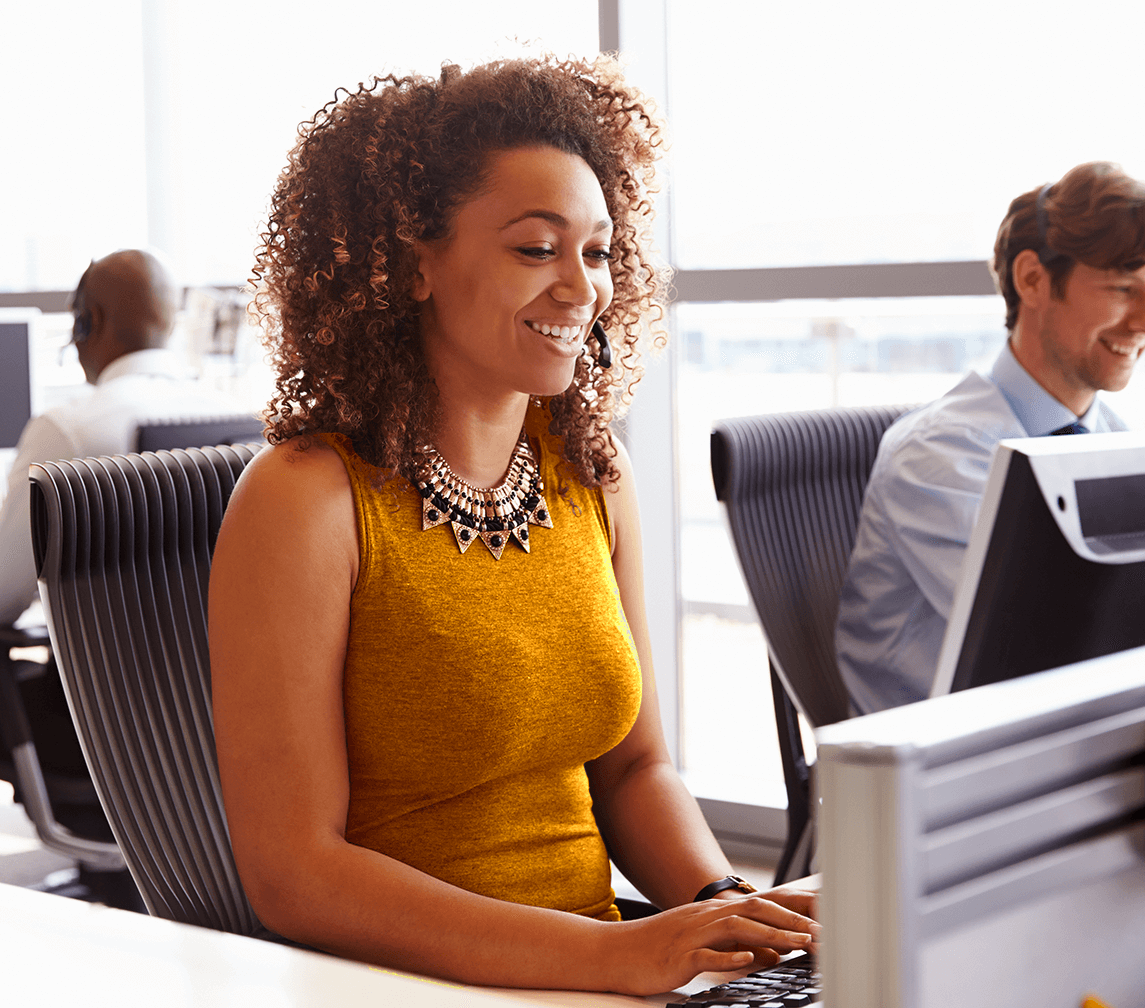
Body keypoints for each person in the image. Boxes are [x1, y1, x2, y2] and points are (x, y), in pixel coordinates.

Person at [208, 56, 820, 995]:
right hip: (419, 986)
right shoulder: (307, 502)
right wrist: (616, 954)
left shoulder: (590, 475)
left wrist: (728, 910)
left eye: (600, 251)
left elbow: (635, 770)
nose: (584, 289)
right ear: (413, 261)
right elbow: (295, 875)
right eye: (538, 249)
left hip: (599, 974)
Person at [0, 249, 242, 893]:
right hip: (211, 730)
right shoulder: (231, 414)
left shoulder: (70, 430)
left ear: (90, 322)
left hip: (94, 728)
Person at [834, 162, 1145, 714]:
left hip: (1066, 744)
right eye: (1123, 289)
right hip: (953, 779)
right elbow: (1060, 640)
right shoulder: (938, 458)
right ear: (1034, 280)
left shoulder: (1115, 444)